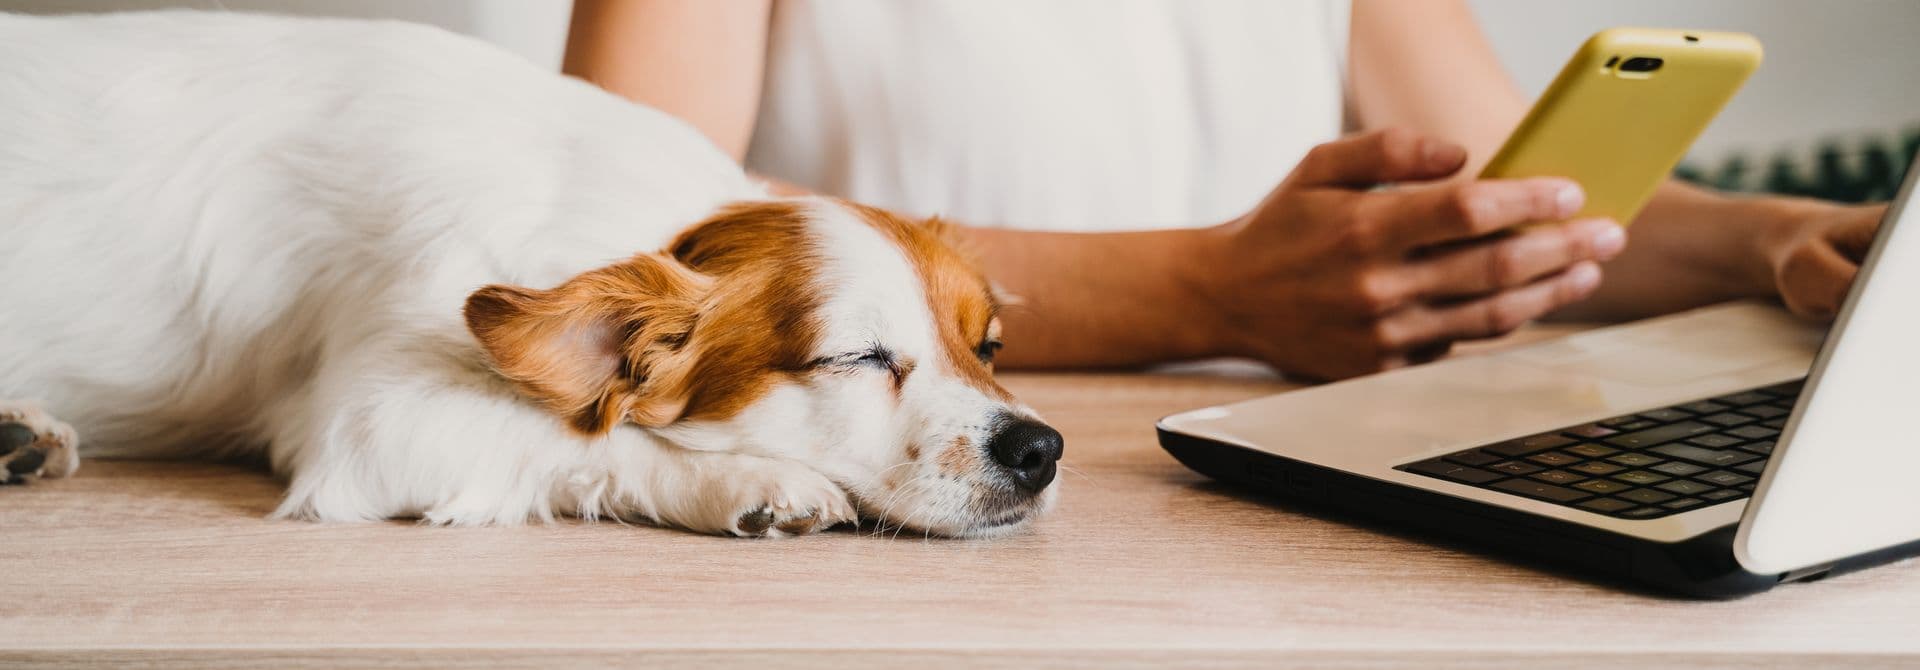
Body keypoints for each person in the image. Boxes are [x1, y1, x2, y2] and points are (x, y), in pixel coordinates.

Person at [561, 0, 1886, 381]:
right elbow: (638, 202)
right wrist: (1212, 291)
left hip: (1276, 508)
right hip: (916, 519)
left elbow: (1527, 198)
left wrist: (1776, 239)